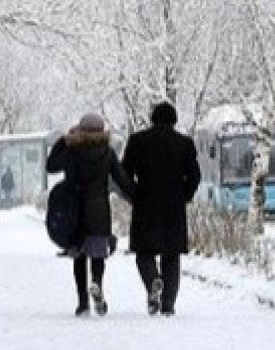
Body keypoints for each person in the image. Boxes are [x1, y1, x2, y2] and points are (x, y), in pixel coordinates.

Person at [46, 113, 133, 316]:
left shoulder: (72, 150)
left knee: (79, 255)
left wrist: (64, 140)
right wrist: (138, 197)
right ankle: (97, 284)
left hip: (75, 209)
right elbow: (122, 179)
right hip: (99, 210)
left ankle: (83, 303)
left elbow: (51, 166)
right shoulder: (108, 152)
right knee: (98, 254)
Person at [121, 101, 202, 317]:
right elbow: (195, 176)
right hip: (174, 206)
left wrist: (133, 195)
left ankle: (152, 281)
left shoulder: (137, 141)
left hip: (145, 203)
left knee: (144, 253)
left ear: (153, 118)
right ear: (174, 119)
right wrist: (184, 195)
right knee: (171, 256)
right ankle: (167, 305)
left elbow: (124, 173)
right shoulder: (185, 144)